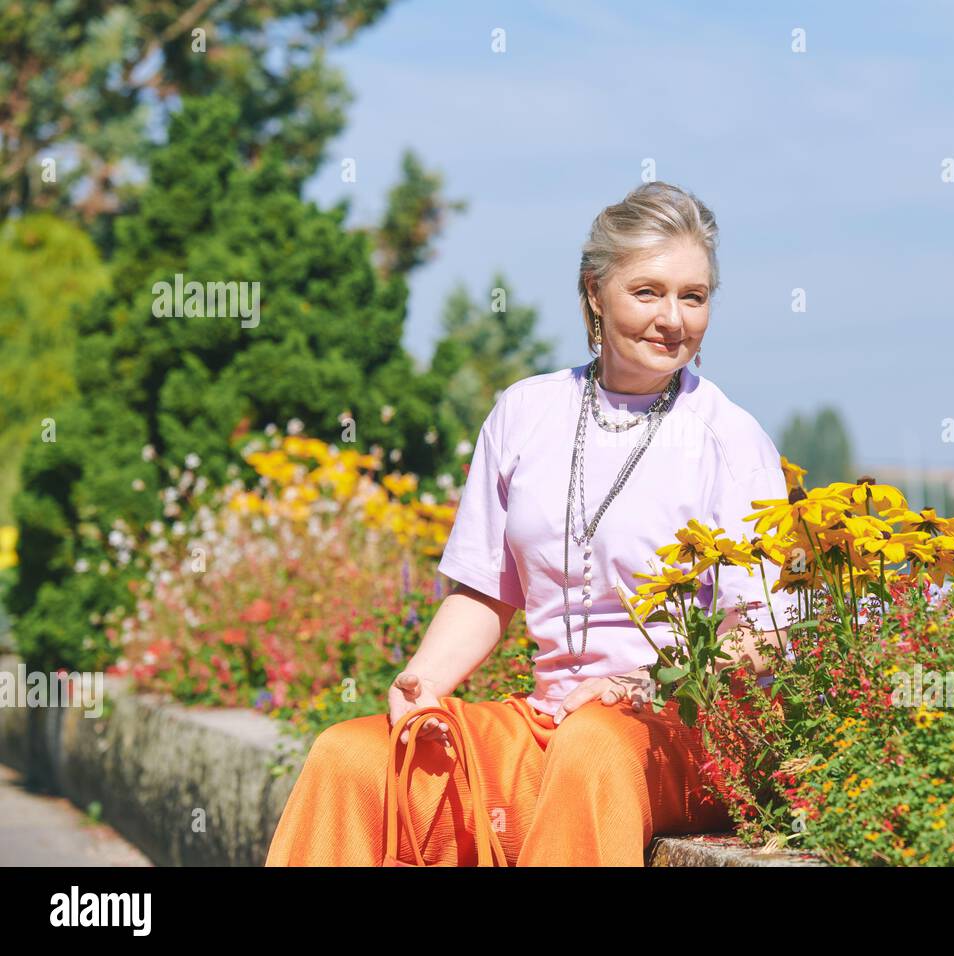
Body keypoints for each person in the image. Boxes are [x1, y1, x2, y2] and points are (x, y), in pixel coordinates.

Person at [264, 181, 798, 866]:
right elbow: (487, 588)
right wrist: (421, 682)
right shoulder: (524, 413)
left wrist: (637, 685)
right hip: (546, 723)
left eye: (693, 297)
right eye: (648, 292)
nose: (673, 319)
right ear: (594, 290)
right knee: (355, 756)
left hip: (679, 734)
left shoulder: (730, 437)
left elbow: (759, 637)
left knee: (594, 746)